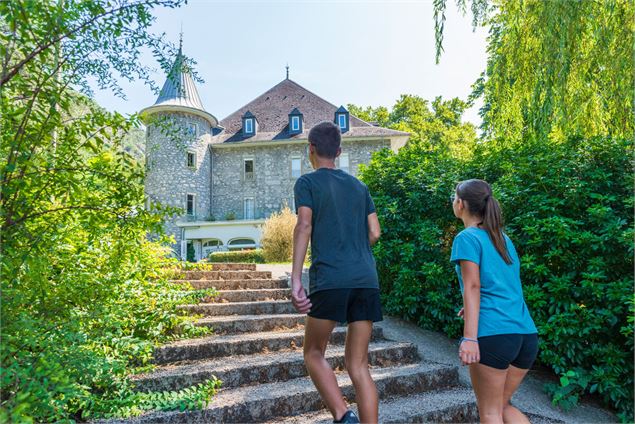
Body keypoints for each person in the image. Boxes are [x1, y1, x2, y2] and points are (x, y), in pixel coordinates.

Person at [291, 121, 382, 424]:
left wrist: (295, 280)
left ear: (311, 150)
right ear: (340, 152)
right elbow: (375, 232)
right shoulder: (360, 186)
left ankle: (344, 416)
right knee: (359, 365)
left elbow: (304, 225)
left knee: (313, 352)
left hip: (331, 279)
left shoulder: (307, 183)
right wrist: (353, 245)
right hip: (366, 280)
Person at [450, 179, 539, 424]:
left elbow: (473, 285)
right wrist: (469, 307)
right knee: (501, 406)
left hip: (494, 335)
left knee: (489, 412)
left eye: (454, 198)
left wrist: (469, 338)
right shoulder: (503, 239)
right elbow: (502, 285)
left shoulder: (466, 238)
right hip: (525, 334)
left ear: (461, 204)